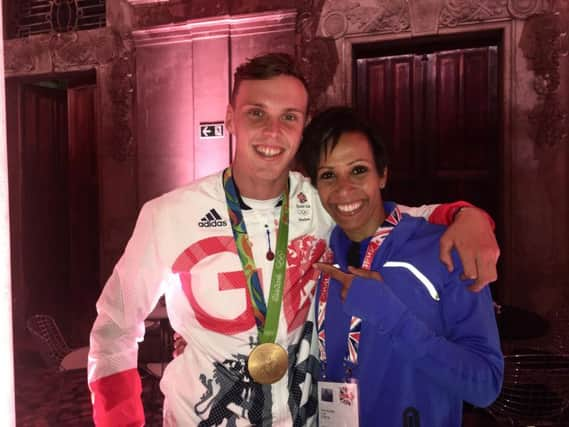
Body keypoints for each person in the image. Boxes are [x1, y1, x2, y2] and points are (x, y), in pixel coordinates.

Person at [88, 53, 499, 426]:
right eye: (256, 114)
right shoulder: (167, 215)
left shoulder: (322, 199)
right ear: (230, 118)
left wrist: (467, 215)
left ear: (303, 127)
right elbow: (114, 327)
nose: (272, 131)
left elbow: (401, 214)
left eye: (288, 117)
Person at [295, 106, 503, 427]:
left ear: (383, 175)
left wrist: (391, 316)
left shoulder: (444, 250)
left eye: (359, 170)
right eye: (328, 175)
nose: (344, 189)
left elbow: (485, 385)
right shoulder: (320, 258)